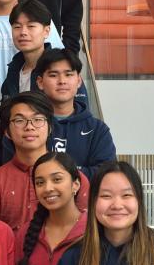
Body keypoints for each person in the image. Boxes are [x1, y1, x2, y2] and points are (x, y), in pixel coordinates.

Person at [0, 92, 87, 234]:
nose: (29, 127)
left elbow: (86, 232)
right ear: (7, 132)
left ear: (50, 127)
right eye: (19, 121)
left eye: (37, 119)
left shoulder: (74, 177)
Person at [36, 48, 115, 178]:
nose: (62, 81)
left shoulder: (97, 129)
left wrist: (58, 177)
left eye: (68, 74)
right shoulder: (29, 125)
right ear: (40, 82)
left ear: (79, 81)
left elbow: (106, 174)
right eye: (53, 75)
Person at [3, 0, 88, 104]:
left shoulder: (63, 68)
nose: (23, 32)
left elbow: (80, 111)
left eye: (31, 26)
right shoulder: (14, 69)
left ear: (46, 31)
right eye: (17, 27)